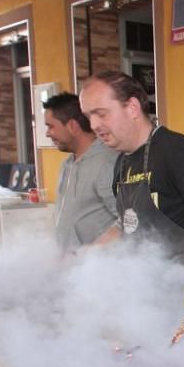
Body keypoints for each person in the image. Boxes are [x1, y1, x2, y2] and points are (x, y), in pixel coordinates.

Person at [78, 71, 184, 261]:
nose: (94, 125)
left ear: (132, 107)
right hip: (149, 284)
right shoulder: (122, 163)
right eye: (88, 117)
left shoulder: (177, 151)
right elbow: (127, 223)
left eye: (101, 114)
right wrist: (85, 256)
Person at [43, 92, 119, 251]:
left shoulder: (107, 163)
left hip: (99, 269)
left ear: (73, 126)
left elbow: (128, 221)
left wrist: (87, 254)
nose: (47, 133)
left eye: (51, 126)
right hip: (72, 269)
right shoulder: (67, 165)